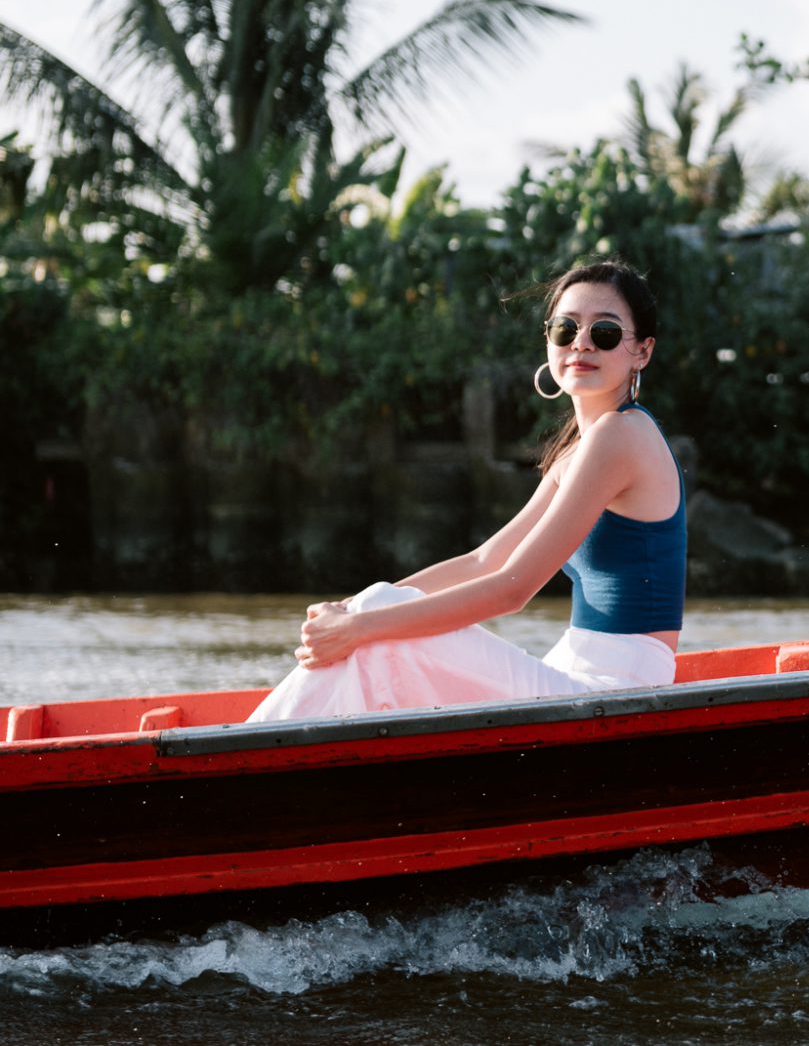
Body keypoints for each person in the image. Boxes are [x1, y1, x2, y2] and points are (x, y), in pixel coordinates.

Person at [246, 260, 685, 722]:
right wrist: (353, 609)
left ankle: (249, 752)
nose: (581, 342)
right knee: (376, 607)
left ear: (642, 351)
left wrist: (360, 626)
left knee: (375, 624)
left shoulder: (622, 436)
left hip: (621, 693)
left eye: (606, 332)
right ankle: (269, 747)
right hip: (573, 671)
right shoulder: (577, 450)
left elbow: (510, 590)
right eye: (565, 328)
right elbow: (485, 560)